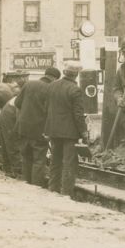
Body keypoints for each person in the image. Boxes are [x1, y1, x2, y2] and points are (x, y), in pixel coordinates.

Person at [44, 60, 88, 197]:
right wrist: (84, 132)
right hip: (69, 133)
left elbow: (46, 107)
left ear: (64, 72)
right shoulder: (75, 89)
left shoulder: (52, 86)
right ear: (76, 75)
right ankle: (66, 193)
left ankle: (53, 189)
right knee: (69, 162)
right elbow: (78, 115)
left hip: (53, 130)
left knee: (55, 160)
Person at [15, 66, 60, 187]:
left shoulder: (29, 84)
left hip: (23, 128)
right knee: (38, 160)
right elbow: (52, 112)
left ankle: (26, 183)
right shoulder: (52, 89)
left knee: (26, 157)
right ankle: (35, 187)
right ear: (55, 78)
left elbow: (17, 103)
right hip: (39, 130)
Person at [0, 96, 22, 178]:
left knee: (7, 143)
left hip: (7, 113)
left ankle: (8, 169)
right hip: (9, 115)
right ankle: (16, 171)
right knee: (12, 142)